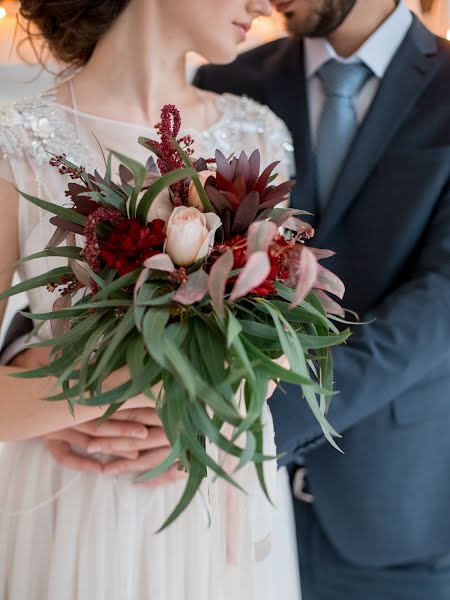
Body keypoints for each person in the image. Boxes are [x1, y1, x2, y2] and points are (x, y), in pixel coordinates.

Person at [0, 1, 302, 598]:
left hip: (215, 504)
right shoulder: (19, 145)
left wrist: (213, 404)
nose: (266, 5)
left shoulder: (258, 134)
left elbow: (277, 352)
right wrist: (102, 391)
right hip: (71, 510)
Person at [193, 0, 450, 598]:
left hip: (394, 506)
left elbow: (441, 305)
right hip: (222, 509)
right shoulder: (223, 85)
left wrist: (262, 423)